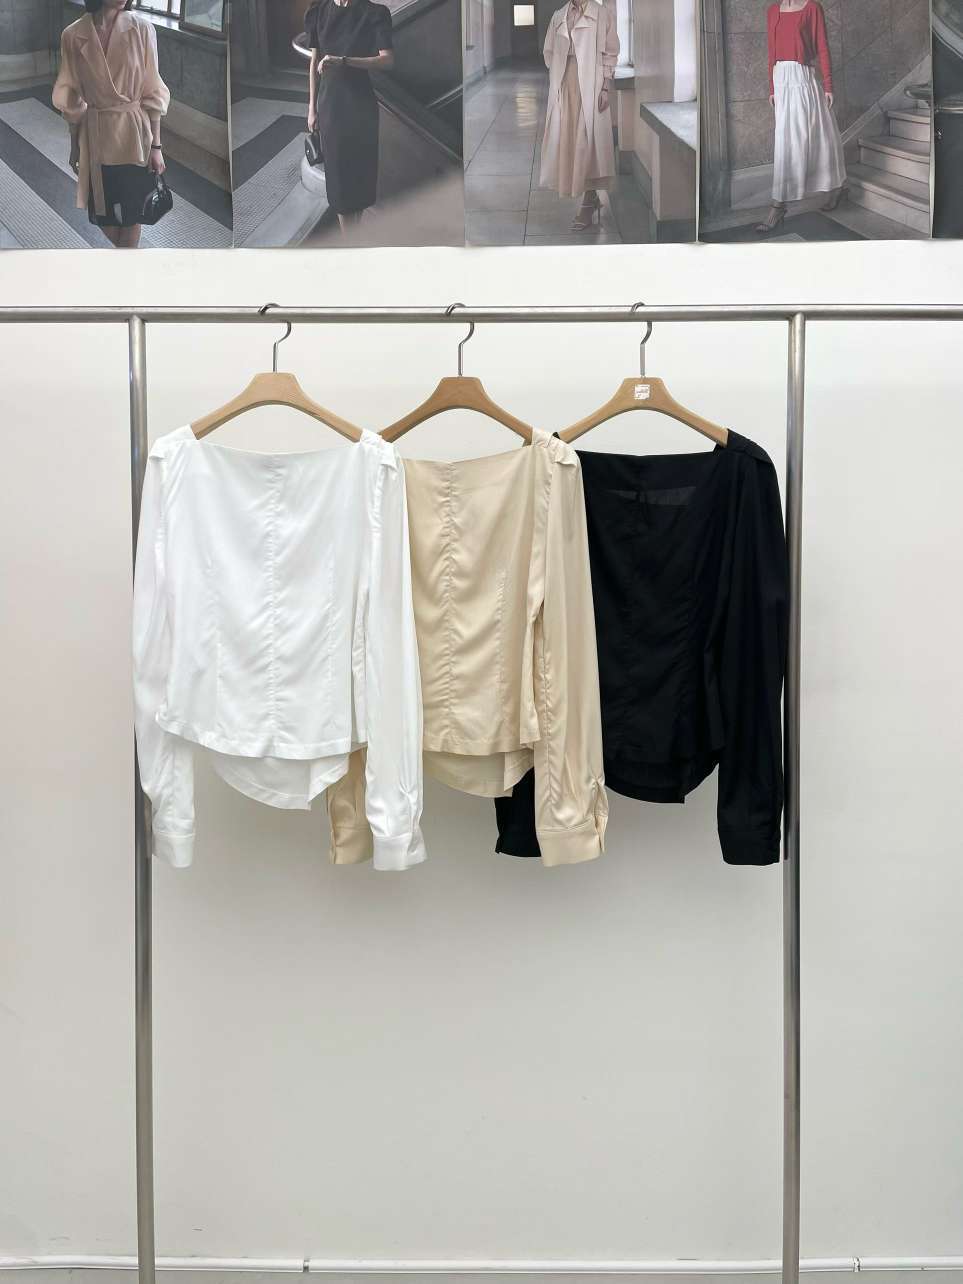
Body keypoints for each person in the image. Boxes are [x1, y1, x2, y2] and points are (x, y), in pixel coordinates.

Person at [53, 0, 170, 249]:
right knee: (103, 213)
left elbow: (153, 91)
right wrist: (75, 146)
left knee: (132, 214)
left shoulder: (142, 29)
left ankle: (125, 267)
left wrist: (157, 147)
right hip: (97, 137)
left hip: (134, 136)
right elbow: (71, 99)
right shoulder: (73, 35)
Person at [756, 0, 846, 235]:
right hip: (781, 81)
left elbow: (822, 47)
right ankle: (779, 205)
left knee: (819, 136)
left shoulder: (812, 8)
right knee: (786, 142)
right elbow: (771, 52)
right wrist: (772, 88)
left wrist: (828, 85)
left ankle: (832, 189)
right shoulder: (772, 11)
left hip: (803, 79)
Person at [305, 0, 395, 233]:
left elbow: (387, 60)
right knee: (339, 182)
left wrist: (344, 61)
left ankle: (354, 235)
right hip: (331, 107)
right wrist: (311, 108)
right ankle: (349, 241)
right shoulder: (319, 11)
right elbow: (314, 63)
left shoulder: (374, 13)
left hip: (361, 106)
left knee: (360, 178)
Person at [539, 0, 619, 232]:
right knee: (569, 139)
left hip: (591, 84)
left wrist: (605, 88)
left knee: (588, 141)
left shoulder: (602, 14)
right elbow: (549, 52)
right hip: (565, 83)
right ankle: (589, 197)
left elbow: (611, 52)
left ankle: (588, 199)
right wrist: (560, 73)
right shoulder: (559, 15)